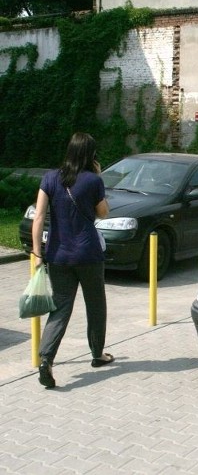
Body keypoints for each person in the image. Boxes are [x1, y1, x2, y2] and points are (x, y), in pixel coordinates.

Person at [31, 132, 114, 389]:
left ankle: (46, 359)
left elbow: (38, 216)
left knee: (60, 308)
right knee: (96, 304)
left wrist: (36, 252)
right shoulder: (92, 180)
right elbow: (103, 212)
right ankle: (97, 354)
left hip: (58, 255)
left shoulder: (50, 178)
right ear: (90, 155)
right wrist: (98, 177)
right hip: (88, 255)